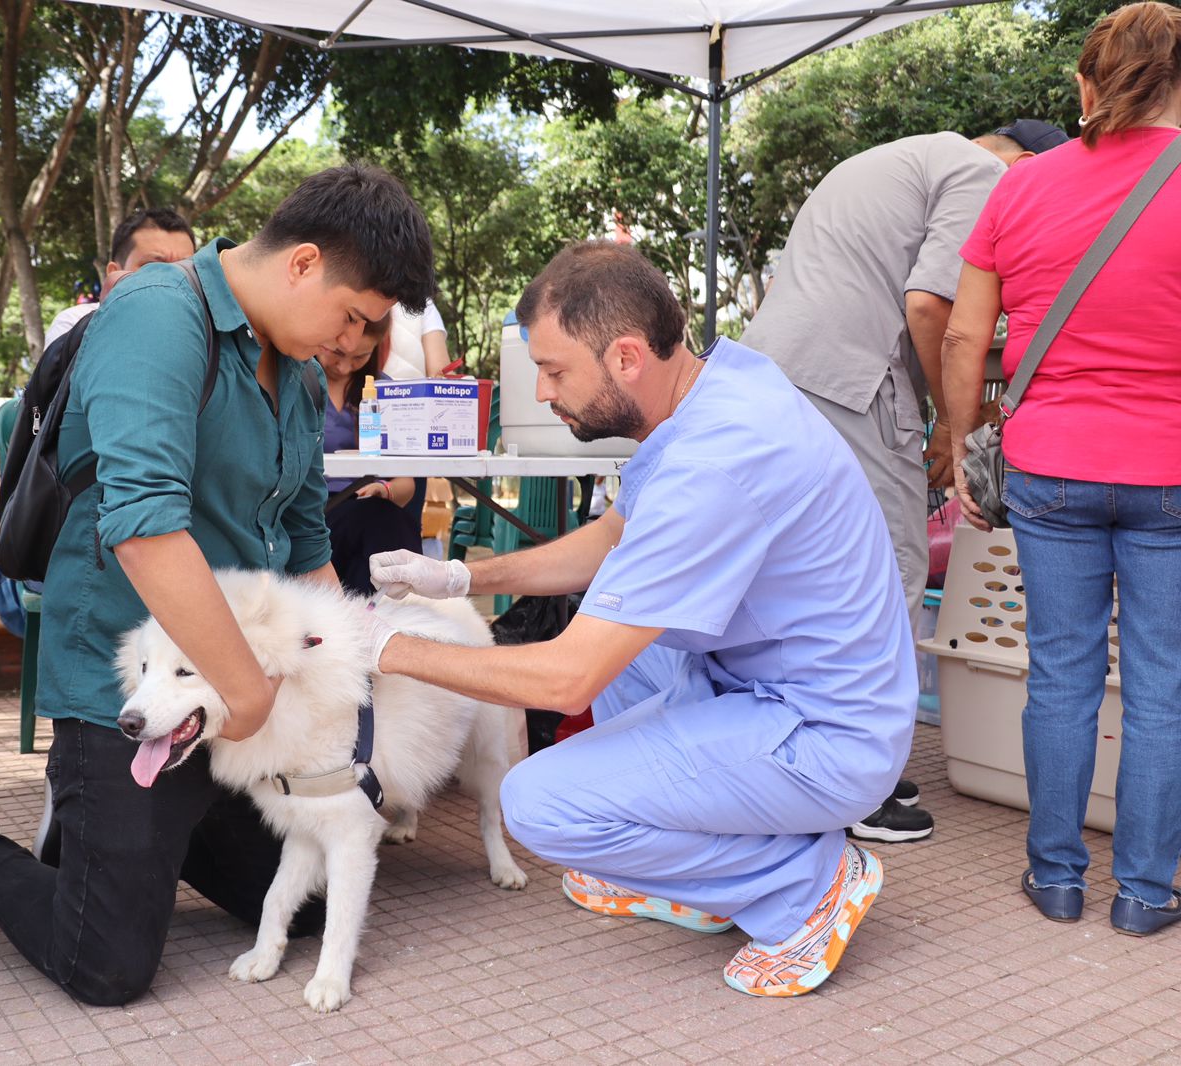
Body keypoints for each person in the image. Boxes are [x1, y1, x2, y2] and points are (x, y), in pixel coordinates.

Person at [0, 165, 436, 1006]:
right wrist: (248, 695)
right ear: (303, 263)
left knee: (312, 902)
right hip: (142, 691)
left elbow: (309, 548)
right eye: (351, 315)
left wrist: (359, 684)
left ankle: (104, 836)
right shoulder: (157, 318)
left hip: (237, 714)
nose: (348, 343)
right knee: (105, 964)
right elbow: (143, 532)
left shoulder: (287, 365)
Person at [364, 241, 915, 997]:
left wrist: (389, 649)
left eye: (555, 371)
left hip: (827, 735)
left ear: (626, 357)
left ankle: (802, 883)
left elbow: (566, 679)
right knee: (620, 629)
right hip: (769, 681)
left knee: (540, 805)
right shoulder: (714, 388)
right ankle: (722, 860)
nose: (545, 391)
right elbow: (618, 536)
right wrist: (462, 574)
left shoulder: (715, 462)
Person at [740, 119, 1068, 842]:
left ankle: (825, 761)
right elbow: (930, 308)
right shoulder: (982, 176)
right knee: (890, 572)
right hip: (851, 382)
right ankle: (855, 784)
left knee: (811, 580)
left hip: (778, 374)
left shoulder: (903, 157)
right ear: (1027, 167)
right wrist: (954, 426)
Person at [945, 2, 1181, 936]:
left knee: (1061, 675)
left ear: (1088, 85)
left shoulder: (1020, 188)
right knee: (1163, 682)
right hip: (1171, 476)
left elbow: (967, 334)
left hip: (1048, 466)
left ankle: (1056, 879)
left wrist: (968, 447)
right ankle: (1148, 894)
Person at [317, 314, 424, 594]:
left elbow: (406, 484)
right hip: (309, 513)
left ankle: (391, 613)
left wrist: (383, 489)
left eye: (359, 357)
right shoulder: (293, 382)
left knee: (386, 520)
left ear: (377, 348)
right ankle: (398, 611)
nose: (344, 366)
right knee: (378, 526)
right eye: (337, 353)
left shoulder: (386, 392)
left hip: (366, 507)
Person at [45, 207, 198, 345]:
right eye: (153, 267)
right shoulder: (74, 326)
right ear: (114, 273)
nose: (173, 280)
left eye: (184, 268)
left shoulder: (204, 333)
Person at [385, 295, 452, 379]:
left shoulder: (423, 303)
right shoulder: (422, 301)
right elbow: (439, 375)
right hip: (415, 390)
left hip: (373, 388)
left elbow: (440, 374)